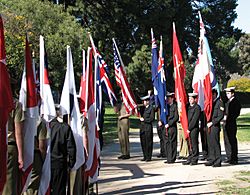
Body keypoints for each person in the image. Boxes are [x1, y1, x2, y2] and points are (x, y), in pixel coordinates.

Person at [3, 80, 25, 195]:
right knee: (9, 184)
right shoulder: (15, 104)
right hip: (9, 146)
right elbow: (18, 132)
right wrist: (21, 156)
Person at [50, 105, 76, 195]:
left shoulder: (45, 126)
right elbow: (71, 148)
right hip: (59, 163)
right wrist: (71, 163)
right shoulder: (64, 127)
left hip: (45, 162)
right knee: (59, 189)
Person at [24, 116, 48, 195]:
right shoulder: (39, 120)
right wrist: (43, 160)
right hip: (34, 155)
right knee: (32, 186)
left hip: (18, 152)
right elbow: (42, 146)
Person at [205, 89, 224, 167]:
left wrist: (212, 123)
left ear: (215, 94)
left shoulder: (219, 103)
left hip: (214, 126)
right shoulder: (210, 103)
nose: (211, 96)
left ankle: (218, 160)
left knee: (215, 143)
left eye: (212, 95)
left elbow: (220, 116)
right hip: (209, 126)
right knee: (210, 143)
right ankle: (212, 158)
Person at [223, 86, 241, 165]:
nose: (227, 95)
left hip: (231, 123)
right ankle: (229, 156)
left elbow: (236, 113)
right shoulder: (227, 102)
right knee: (226, 140)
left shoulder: (235, 102)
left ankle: (234, 158)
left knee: (232, 140)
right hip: (226, 123)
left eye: (229, 93)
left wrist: (229, 117)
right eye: (226, 93)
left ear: (232, 93)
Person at [183, 93, 201, 166]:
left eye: (191, 99)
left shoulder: (197, 107)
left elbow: (195, 119)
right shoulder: (187, 107)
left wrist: (189, 128)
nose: (190, 100)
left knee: (194, 144)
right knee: (188, 143)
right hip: (187, 128)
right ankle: (190, 157)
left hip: (193, 128)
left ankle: (194, 159)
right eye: (189, 99)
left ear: (195, 99)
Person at [115, 93, 131, 160]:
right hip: (119, 121)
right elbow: (115, 111)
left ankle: (127, 153)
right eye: (121, 96)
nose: (121, 97)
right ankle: (122, 153)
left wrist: (123, 116)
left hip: (125, 121)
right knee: (120, 137)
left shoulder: (127, 103)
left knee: (125, 137)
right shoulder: (120, 104)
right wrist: (115, 104)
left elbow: (130, 113)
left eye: (122, 96)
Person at [164, 92, 179, 164]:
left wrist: (169, 124)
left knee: (172, 142)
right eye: (167, 98)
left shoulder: (175, 106)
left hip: (172, 127)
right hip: (166, 126)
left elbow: (176, 117)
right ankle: (168, 157)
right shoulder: (166, 107)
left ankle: (172, 158)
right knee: (167, 142)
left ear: (172, 99)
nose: (168, 100)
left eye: (169, 98)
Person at [139, 94, 155, 162]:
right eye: (143, 101)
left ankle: (149, 156)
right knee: (143, 142)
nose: (144, 102)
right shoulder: (143, 108)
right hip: (142, 127)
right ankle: (145, 155)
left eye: (145, 101)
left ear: (148, 101)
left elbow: (152, 118)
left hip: (148, 127)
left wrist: (144, 120)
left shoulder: (151, 108)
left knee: (148, 142)